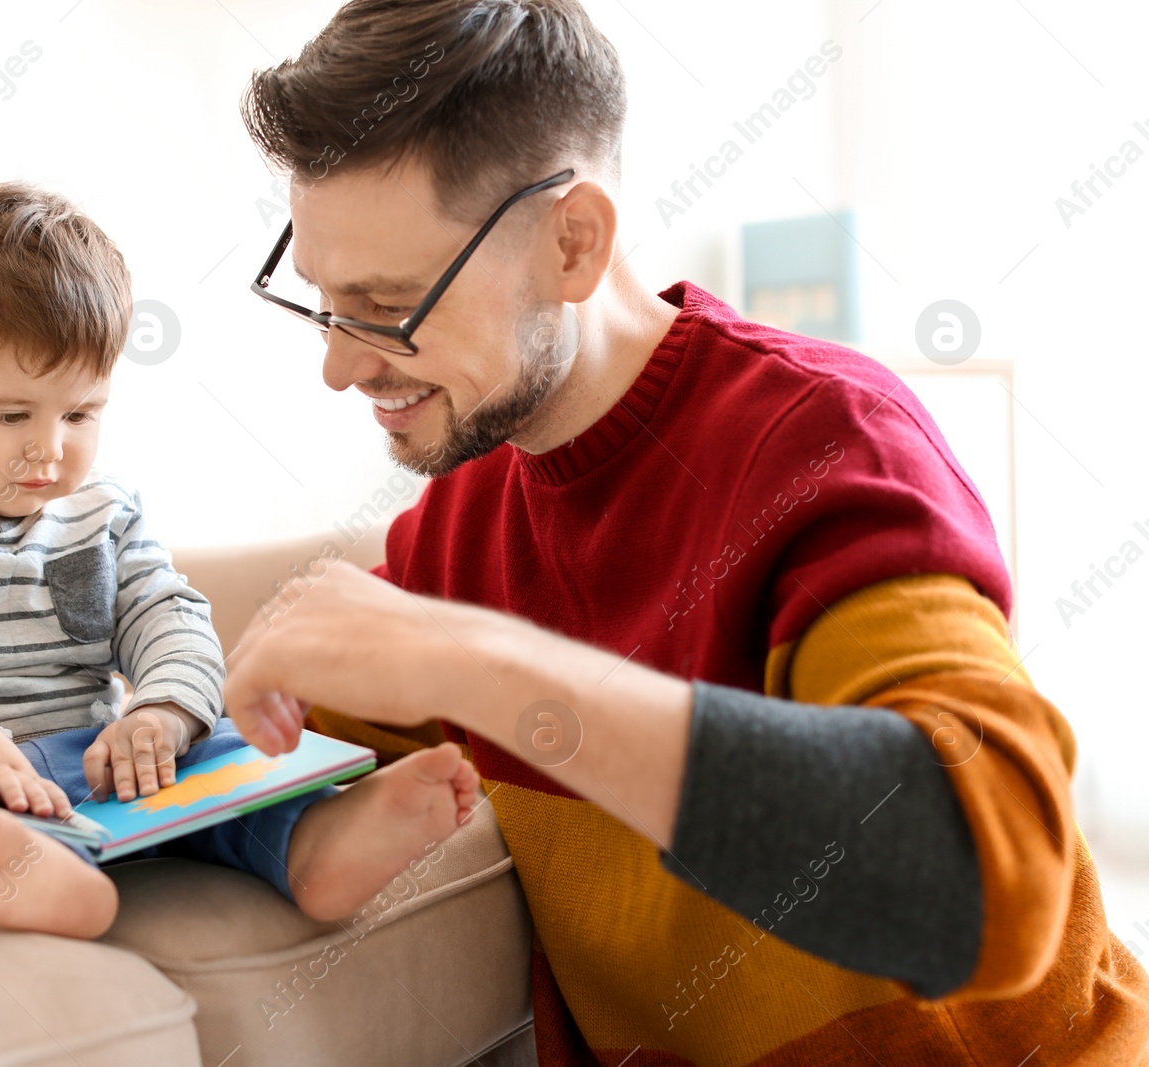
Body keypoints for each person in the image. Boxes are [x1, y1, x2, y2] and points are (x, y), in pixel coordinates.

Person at [203, 1, 1145, 1064]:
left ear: (571, 243)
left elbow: (984, 873)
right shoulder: (460, 537)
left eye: (387, 303)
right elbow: (258, 766)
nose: (340, 364)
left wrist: (471, 660)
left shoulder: (825, 445)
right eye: (325, 303)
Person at [0, 181, 478, 941]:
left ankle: (312, 844)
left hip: (96, 767)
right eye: (11, 414)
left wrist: (161, 710)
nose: (49, 449)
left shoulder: (105, 513)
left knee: (220, 747)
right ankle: (24, 877)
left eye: (81, 413)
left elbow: (169, 615)